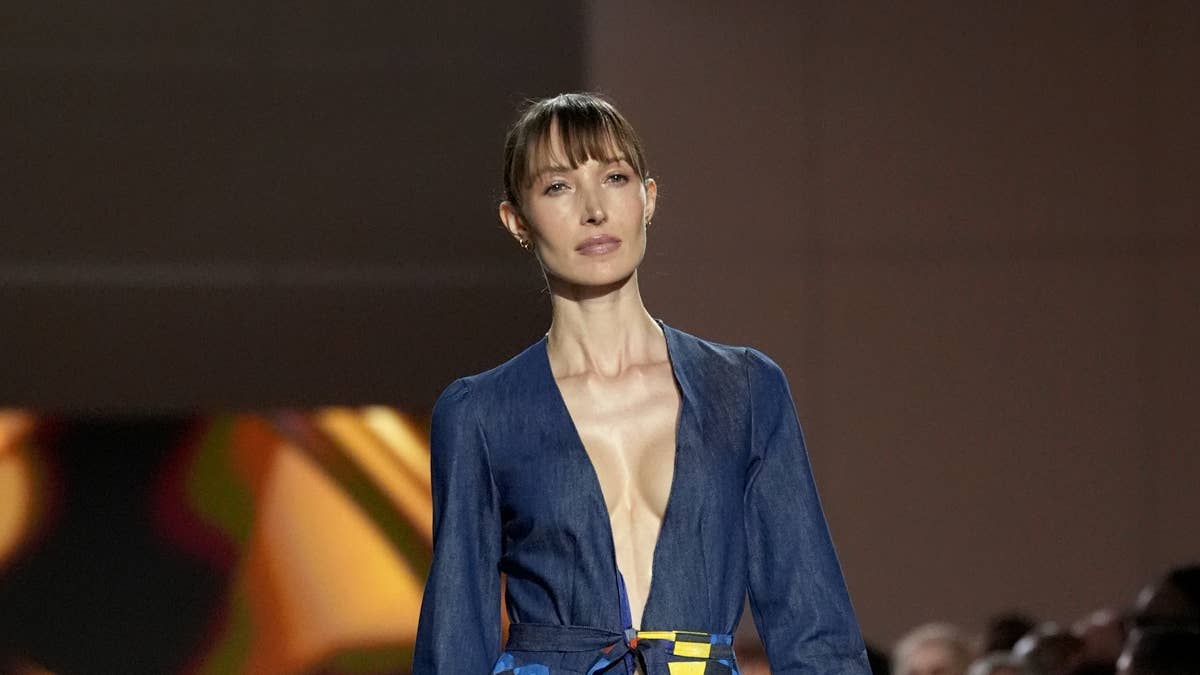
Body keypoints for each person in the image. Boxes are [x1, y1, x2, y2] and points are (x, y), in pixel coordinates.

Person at [411, 92, 869, 674]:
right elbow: (454, 639)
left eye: (615, 178)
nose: (594, 210)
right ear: (517, 221)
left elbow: (814, 628)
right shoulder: (481, 413)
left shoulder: (745, 392)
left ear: (648, 199)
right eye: (558, 186)